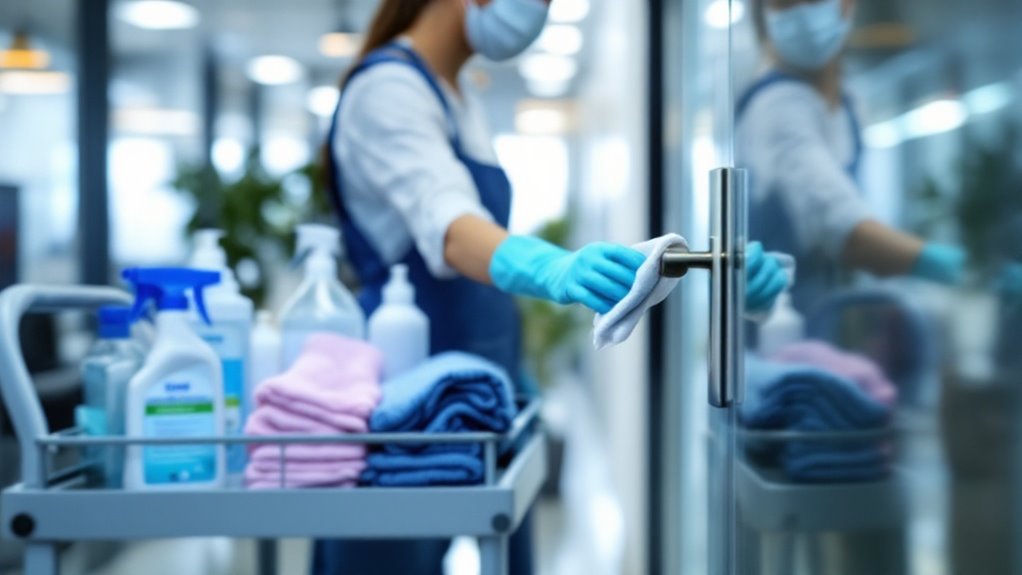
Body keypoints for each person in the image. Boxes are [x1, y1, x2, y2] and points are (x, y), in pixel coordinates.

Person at [317, 1, 789, 573]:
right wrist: (555, 270)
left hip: (483, 388)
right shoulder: (387, 90)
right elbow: (450, 227)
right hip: (403, 401)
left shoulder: (458, 95)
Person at [738, 0, 967, 315]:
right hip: (776, 328)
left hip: (821, 317)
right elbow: (847, 233)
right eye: (787, 2)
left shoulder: (848, 100)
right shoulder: (776, 105)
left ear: (848, 6)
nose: (804, 11)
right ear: (763, 14)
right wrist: (962, 270)